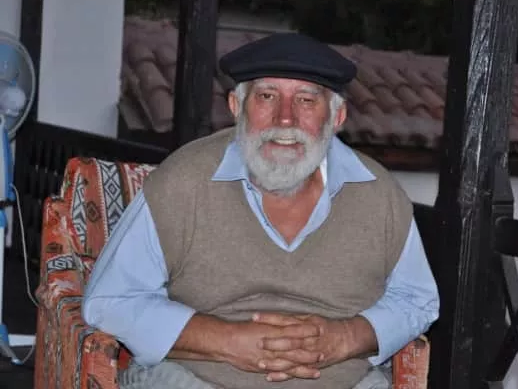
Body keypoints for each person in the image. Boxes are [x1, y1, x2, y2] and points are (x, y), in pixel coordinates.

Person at [82, 32, 439, 389]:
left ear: (337, 116)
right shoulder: (181, 183)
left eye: (306, 100)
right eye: (267, 96)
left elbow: (418, 300)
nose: (285, 119)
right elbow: (110, 300)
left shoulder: (380, 195)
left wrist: (346, 337)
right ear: (236, 107)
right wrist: (225, 340)